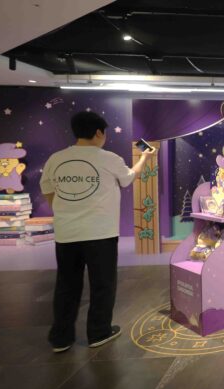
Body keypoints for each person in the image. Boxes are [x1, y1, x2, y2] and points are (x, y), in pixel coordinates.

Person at [39, 111, 156, 353]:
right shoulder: (109, 158)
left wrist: (65, 211)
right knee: (103, 284)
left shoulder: (56, 159)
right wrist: (144, 157)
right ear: (99, 133)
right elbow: (129, 178)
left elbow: (48, 190)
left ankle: (61, 338)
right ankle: (98, 332)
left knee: (66, 285)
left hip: (66, 234)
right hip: (100, 234)